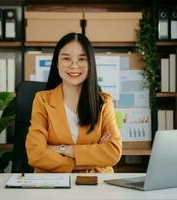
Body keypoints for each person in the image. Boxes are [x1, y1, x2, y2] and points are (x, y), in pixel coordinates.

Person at [25, 32, 122, 173]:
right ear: (57, 64)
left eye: (81, 59)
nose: (74, 65)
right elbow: (35, 154)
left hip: (96, 185)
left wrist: (60, 149)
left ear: (90, 64)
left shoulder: (104, 102)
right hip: (53, 184)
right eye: (66, 58)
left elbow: (113, 152)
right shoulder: (42, 100)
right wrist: (91, 159)